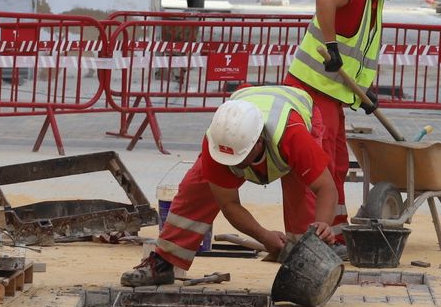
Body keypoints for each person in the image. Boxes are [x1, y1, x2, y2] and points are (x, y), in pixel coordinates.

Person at [120, 87, 338, 287]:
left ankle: (311, 266)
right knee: (196, 188)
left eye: (239, 159)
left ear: (259, 142)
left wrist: (322, 225)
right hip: (248, 117)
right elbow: (229, 203)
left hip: (299, 116)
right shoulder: (218, 141)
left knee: (302, 190)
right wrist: (263, 236)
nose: (232, 166)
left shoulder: (293, 135)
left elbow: (326, 188)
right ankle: (164, 261)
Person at [286, 0, 426, 227]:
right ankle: (308, 239)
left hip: (331, 94)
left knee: (336, 165)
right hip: (310, 92)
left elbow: (357, 54)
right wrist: (331, 46)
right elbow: (325, 0)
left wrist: (363, 93)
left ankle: (334, 232)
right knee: (316, 168)